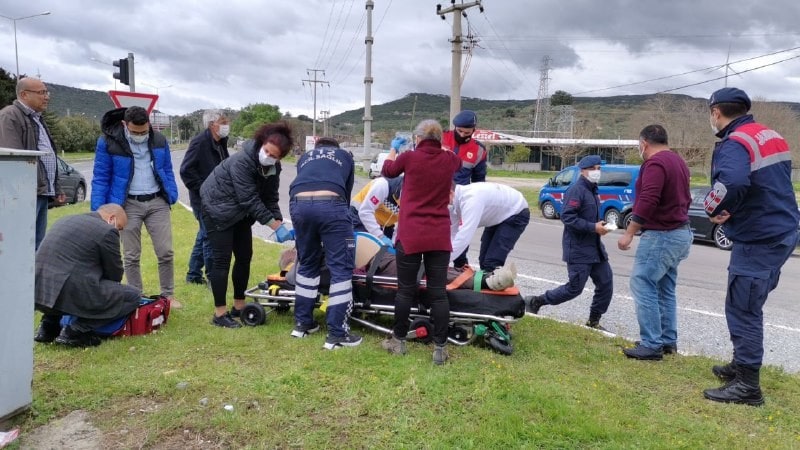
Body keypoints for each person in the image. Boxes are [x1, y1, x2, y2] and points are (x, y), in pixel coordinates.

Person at [701, 87, 800, 406]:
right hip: (782, 229)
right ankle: (739, 363)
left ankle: (747, 385)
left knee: (743, 306)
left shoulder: (735, 142)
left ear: (716, 112)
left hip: (759, 235)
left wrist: (713, 209)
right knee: (749, 300)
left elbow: (732, 182)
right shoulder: (770, 134)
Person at [380, 119, 462, 364]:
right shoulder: (449, 160)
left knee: (406, 290)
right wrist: (442, 146)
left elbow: (388, 171)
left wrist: (393, 149)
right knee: (438, 293)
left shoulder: (409, 158)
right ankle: (440, 348)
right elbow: (457, 161)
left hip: (411, 234)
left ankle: (398, 341)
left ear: (417, 139)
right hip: (438, 235)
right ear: (440, 140)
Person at [200, 122, 294, 328]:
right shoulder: (242, 161)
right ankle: (220, 313)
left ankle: (239, 305)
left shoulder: (273, 167)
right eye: (267, 151)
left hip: (240, 213)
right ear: (261, 143)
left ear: (280, 158)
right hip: (217, 209)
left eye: (274, 155)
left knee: (244, 257)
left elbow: (270, 197)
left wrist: (278, 220)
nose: (268, 156)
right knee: (221, 260)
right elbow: (249, 199)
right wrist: (275, 227)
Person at [91, 106, 181, 308]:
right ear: (124, 124)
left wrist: (171, 193)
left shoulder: (159, 139)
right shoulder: (107, 142)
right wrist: (99, 208)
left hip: (157, 201)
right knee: (131, 255)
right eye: (135, 132)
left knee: (165, 251)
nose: (140, 135)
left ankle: (168, 296)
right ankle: (136, 297)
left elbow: (166, 168)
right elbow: (101, 177)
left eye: (144, 131)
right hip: (127, 205)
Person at [618, 125, 693, 361]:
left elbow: (649, 199)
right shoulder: (678, 162)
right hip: (680, 231)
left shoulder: (655, 164)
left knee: (643, 283)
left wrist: (629, 232)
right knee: (664, 288)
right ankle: (667, 340)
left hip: (662, 234)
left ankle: (651, 344)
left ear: (644, 143)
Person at [33, 204, 142, 348]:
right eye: (120, 227)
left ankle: (48, 327)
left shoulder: (65, 220)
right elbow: (114, 274)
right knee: (133, 296)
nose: (119, 231)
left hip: (38, 290)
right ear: (112, 218)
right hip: (68, 291)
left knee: (68, 281)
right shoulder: (108, 230)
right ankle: (76, 331)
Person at [526, 155, 614, 329]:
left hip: (595, 248)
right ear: (583, 170)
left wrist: (601, 226)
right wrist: (592, 227)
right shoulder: (576, 190)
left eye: (599, 168)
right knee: (574, 288)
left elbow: (590, 217)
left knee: (606, 283)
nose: (597, 172)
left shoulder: (593, 190)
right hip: (579, 249)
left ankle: (593, 321)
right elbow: (567, 217)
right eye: (593, 168)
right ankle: (537, 301)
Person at [289, 137, 358, 349]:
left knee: (307, 263)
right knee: (341, 268)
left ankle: (303, 324)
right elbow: (345, 194)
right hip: (332, 205)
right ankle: (338, 333)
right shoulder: (345, 156)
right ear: (335, 148)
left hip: (298, 205)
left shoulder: (304, 157)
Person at [0, 77, 65, 249]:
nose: (47, 97)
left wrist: (56, 187)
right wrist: (21, 192)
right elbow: (14, 159)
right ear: (24, 95)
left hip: (40, 192)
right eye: (41, 92)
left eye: (47, 92)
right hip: (24, 195)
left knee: (37, 244)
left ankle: (33, 276)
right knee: (21, 245)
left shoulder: (37, 118)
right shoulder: (10, 116)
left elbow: (48, 155)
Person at [179, 109, 231, 285]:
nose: (226, 126)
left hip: (218, 198)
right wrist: (204, 189)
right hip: (203, 199)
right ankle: (212, 277)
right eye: (223, 122)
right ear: (212, 124)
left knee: (203, 235)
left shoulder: (221, 142)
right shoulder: (200, 142)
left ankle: (193, 275)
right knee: (210, 237)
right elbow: (186, 171)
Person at [449, 182, 530, 289]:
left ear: (450, 193)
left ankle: (494, 302)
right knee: (483, 261)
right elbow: (453, 235)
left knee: (491, 263)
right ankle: (484, 295)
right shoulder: (453, 204)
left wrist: (442, 262)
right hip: (499, 215)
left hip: (516, 212)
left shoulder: (471, 200)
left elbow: (464, 236)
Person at [441, 109, 487, 269]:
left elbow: (479, 181)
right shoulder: (441, 138)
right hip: (436, 194)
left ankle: (460, 266)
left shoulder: (479, 150)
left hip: (460, 198)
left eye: (466, 132)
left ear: (473, 130)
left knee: (460, 235)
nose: (462, 134)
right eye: (459, 131)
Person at [349, 175, 403, 247]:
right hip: (359, 216)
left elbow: (401, 225)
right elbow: (365, 212)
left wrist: (394, 243)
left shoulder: (415, 202)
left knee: (391, 252)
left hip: (384, 224)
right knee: (360, 248)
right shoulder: (382, 186)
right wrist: (380, 236)